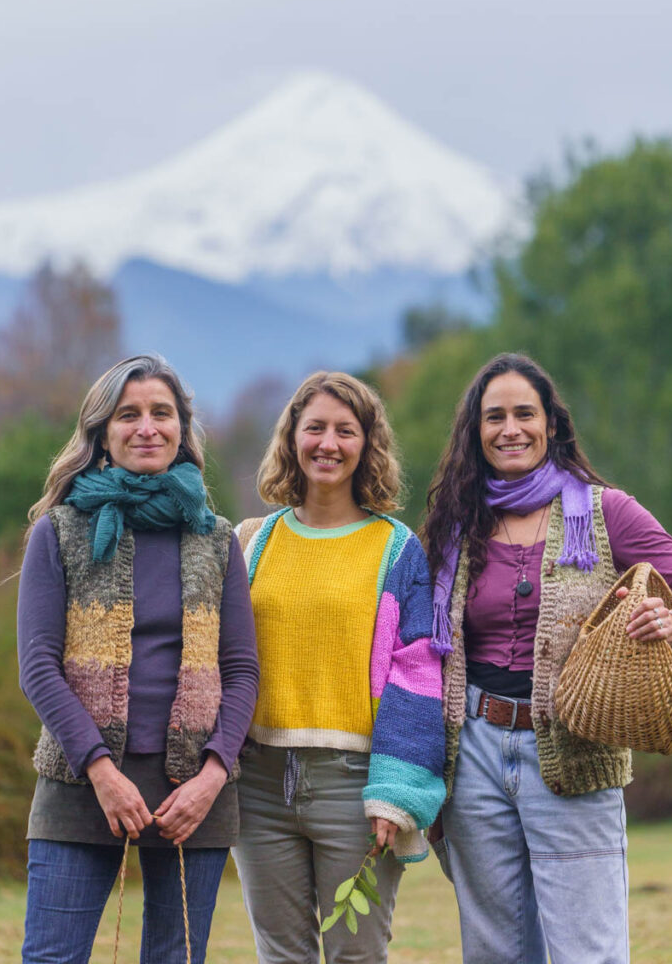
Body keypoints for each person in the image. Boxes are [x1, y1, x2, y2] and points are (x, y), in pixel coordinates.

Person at [424, 352, 672, 964]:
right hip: (472, 756)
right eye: (494, 417)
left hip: (575, 752)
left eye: (525, 413)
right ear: (476, 432)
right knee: (496, 952)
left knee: (588, 951)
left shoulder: (604, 513)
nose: (510, 428)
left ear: (552, 424)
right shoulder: (457, 525)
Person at [17, 354, 259, 964]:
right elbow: (38, 667)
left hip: (193, 793)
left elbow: (243, 670)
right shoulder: (61, 530)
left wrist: (213, 775)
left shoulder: (215, 537)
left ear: (182, 429)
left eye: (162, 413)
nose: (147, 427)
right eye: (129, 415)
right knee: (52, 957)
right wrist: (100, 770)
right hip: (81, 782)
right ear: (102, 433)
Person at [231, 370, 446, 964]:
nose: (328, 443)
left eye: (345, 431)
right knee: (281, 955)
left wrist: (395, 792)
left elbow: (418, 671)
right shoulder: (253, 542)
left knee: (357, 954)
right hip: (259, 786)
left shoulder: (396, 549)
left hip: (357, 788)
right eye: (315, 427)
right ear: (291, 438)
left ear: (366, 446)